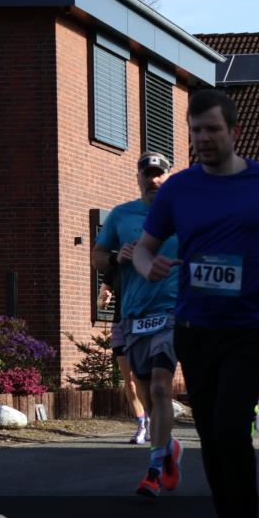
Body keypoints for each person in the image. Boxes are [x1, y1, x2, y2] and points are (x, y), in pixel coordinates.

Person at [135, 89, 259, 518]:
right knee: (212, 435)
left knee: (232, 427)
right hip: (196, 327)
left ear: (235, 133)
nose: (202, 139)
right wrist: (148, 268)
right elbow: (146, 250)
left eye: (212, 129)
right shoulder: (177, 190)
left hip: (252, 325)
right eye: (195, 131)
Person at [93, 152, 182, 496]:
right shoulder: (121, 215)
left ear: (168, 178)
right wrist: (118, 257)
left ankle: (153, 471)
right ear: (139, 177)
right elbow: (97, 257)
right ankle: (167, 446)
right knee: (144, 390)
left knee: (161, 387)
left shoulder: (182, 213)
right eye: (148, 174)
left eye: (160, 174)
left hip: (173, 311)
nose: (154, 180)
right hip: (135, 315)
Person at [97, 270, 150, 443]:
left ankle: (152, 419)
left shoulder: (148, 262)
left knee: (141, 378)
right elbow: (100, 303)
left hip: (142, 324)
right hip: (120, 325)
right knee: (130, 382)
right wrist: (103, 300)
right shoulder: (115, 269)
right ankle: (142, 424)